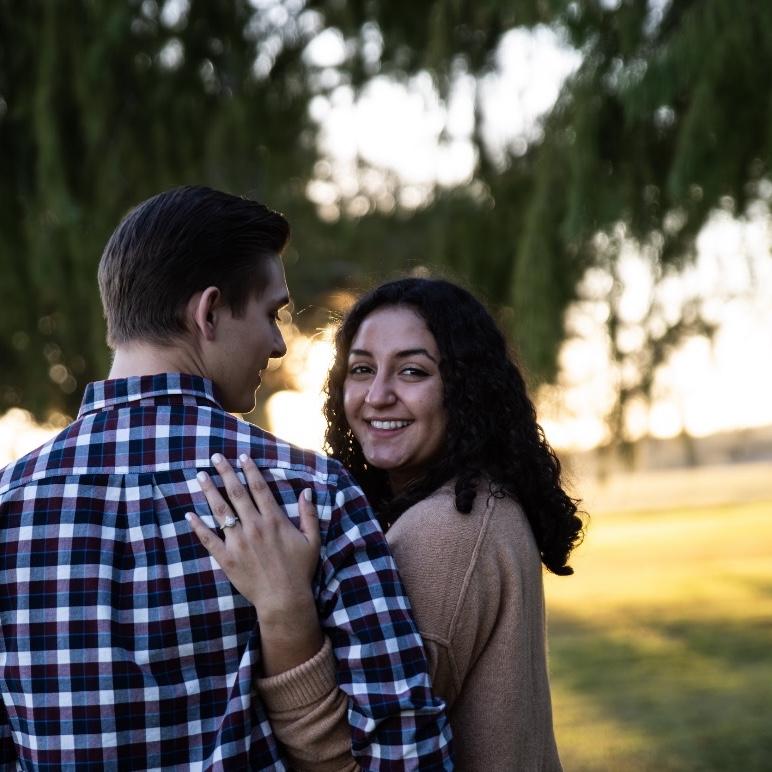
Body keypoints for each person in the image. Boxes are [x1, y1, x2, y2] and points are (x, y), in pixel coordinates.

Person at [0, 187, 453, 770]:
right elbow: (406, 751)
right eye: (271, 314)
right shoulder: (311, 493)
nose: (279, 344)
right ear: (209, 312)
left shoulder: (10, 505)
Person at [188, 277, 585, 770]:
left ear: (466, 388)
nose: (377, 396)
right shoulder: (477, 501)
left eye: (412, 371)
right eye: (362, 369)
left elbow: (361, 760)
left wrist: (284, 608)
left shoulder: (445, 530)